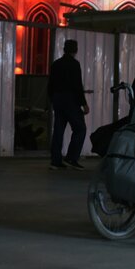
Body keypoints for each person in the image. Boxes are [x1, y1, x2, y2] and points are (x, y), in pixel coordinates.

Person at [47, 39, 89, 170]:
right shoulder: (74, 64)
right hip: (71, 100)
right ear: (75, 50)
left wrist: (52, 100)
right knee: (80, 128)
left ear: (64, 49)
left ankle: (55, 160)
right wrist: (84, 104)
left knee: (58, 130)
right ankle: (71, 157)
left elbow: (50, 85)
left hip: (58, 100)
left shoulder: (56, 64)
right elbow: (77, 86)